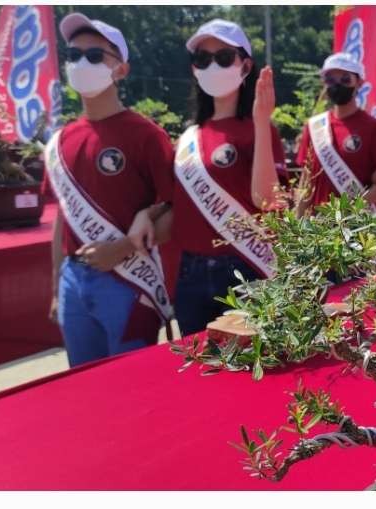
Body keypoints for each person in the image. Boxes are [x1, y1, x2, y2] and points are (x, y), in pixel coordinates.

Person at [128, 19, 284, 337]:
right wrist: (147, 213)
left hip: (244, 269)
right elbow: (177, 202)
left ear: (245, 66)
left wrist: (260, 122)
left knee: (247, 374)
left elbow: (267, 199)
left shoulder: (260, 129)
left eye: (224, 57)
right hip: (191, 272)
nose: (213, 66)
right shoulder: (189, 138)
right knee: (200, 372)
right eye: (203, 59)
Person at [44, 13, 175, 367]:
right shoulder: (61, 141)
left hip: (128, 281)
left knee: (132, 388)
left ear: (121, 70)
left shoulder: (147, 135)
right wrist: (58, 286)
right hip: (74, 279)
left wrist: (121, 248)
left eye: (95, 56)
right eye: (74, 55)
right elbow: (63, 217)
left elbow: (175, 211)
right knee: (84, 389)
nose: (82, 64)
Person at [295, 52, 376, 220]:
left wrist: (354, 207)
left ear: (359, 82)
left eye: (345, 79)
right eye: (330, 79)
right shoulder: (314, 126)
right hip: (317, 229)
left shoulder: (375, 128)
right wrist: (297, 224)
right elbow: (306, 180)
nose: (337, 84)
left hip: (357, 227)